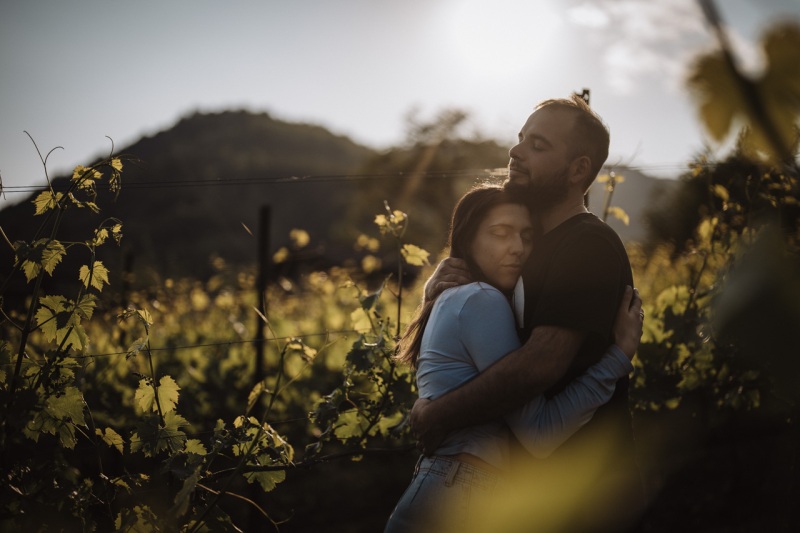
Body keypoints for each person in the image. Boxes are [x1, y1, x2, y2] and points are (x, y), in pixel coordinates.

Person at [410, 95, 645, 531]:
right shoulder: (527, 247)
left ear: (578, 170)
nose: (516, 152)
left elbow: (538, 366)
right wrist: (435, 289)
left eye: (537, 145)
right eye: (520, 140)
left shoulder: (587, 245)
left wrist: (435, 414)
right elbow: (465, 336)